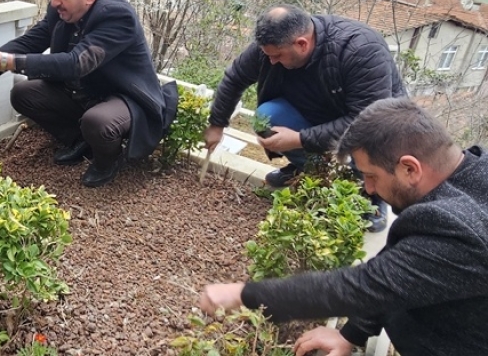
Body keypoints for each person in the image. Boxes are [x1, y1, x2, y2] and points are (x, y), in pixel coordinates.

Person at [198, 98, 488, 356]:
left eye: (371, 176)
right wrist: (352, 333)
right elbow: (398, 276)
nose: (369, 189)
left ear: (410, 168)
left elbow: (360, 286)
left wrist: (243, 295)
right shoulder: (470, 171)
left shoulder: (458, 230)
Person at [0, 0, 178, 187]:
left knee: (98, 121)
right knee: (23, 93)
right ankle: (81, 141)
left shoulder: (117, 16)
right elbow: (32, 41)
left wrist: (5, 62)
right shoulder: (62, 8)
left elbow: (76, 63)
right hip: (86, 92)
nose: (55, 1)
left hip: (124, 98)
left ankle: (108, 160)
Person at [204, 4, 405, 230]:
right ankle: (307, 170)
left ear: (302, 44)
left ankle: (372, 193)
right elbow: (235, 78)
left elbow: (367, 123)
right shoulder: (273, 44)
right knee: (267, 117)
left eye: (277, 56)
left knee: (371, 140)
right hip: (318, 111)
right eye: (268, 55)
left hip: (373, 125)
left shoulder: (360, 50)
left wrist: (300, 139)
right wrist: (217, 124)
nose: (271, 61)